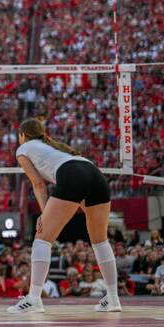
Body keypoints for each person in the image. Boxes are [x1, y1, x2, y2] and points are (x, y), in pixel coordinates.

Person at [8, 118, 121, 315]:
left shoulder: (23, 149)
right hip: (95, 174)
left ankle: (34, 299)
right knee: (100, 241)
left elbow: (39, 184)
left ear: (22, 136)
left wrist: (44, 214)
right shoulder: (54, 146)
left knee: (42, 239)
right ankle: (113, 299)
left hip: (73, 175)